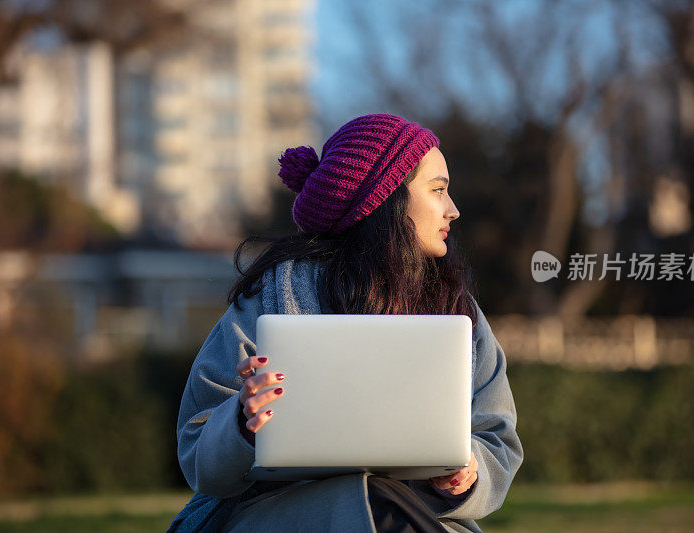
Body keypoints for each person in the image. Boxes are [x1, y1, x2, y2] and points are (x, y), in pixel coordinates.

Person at [167, 113, 523, 532]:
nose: (453, 209)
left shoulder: (457, 308)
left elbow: (495, 436)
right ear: (385, 200)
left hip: (422, 515)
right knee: (371, 504)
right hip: (283, 515)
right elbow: (197, 448)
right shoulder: (268, 298)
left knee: (386, 508)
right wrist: (242, 420)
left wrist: (468, 473)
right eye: (438, 190)